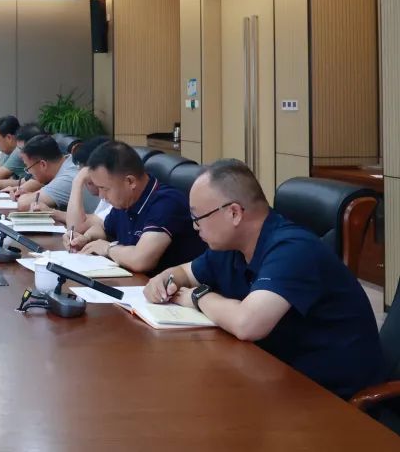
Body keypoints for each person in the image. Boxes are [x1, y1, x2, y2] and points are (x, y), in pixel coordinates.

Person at [144, 160, 384, 399]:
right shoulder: (231, 246)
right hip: (274, 375)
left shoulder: (293, 249)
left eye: (198, 217)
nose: (195, 227)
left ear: (234, 213)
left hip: (329, 397)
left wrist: (198, 296)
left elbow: (247, 324)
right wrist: (163, 279)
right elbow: (185, 273)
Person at [70, 141, 204, 274]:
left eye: (104, 189)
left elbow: (141, 260)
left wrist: (107, 248)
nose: (101, 195)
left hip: (168, 285)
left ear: (130, 181)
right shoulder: (126, 201)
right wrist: (86, 238)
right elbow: (104, 229)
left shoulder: (166, 202)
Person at [56, 136, 112, 230]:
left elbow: (76, 227)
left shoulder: (115, 198)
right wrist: (53, 213)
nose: (101, 195)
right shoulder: (108, 195)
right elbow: (91, 219)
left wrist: (78, 181)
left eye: (88, 182)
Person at [10, 135, 79, 211]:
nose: (29, 172)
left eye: (28, 167)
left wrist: (25, 197)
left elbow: (24, 204)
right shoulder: (69, 162)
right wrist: (30, 195)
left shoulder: (66, 178)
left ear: (43, 164)